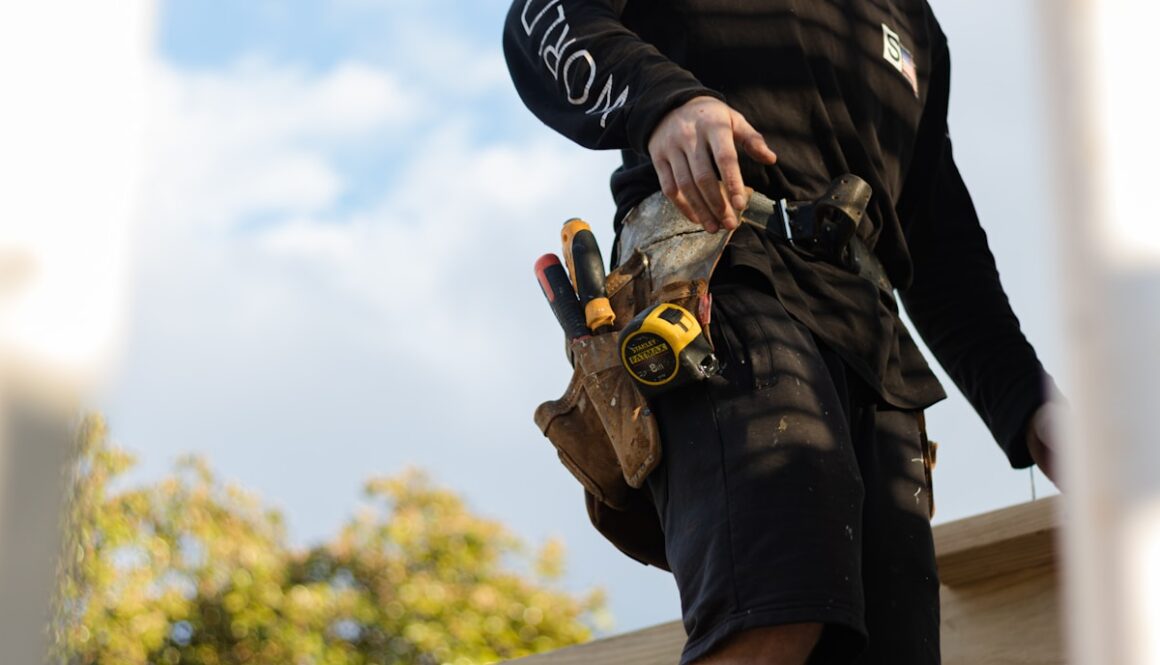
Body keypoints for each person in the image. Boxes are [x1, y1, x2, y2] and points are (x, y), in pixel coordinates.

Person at [503, 2, 1058, 663]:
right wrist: (664, 104)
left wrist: (1031, 405)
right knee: (770, 618)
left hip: (874, 355)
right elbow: (542, 18)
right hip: (723, 284)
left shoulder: (912, 22)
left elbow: (940, 248)